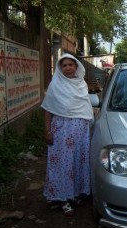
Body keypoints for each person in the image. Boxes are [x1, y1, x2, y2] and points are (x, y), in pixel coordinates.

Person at [41, 53, 94, 216]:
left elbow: (86, 108)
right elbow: (48, 110)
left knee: (78, 163)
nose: (68, 68)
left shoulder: (81, 85)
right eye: (64, 65)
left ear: (76, 66)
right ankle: (62, 199)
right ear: (60, 68)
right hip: (61, 132)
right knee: (62, 166)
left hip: (81, 133)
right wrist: (47, 131)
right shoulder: (55, 85)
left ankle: (74, 194)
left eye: (71, 64)